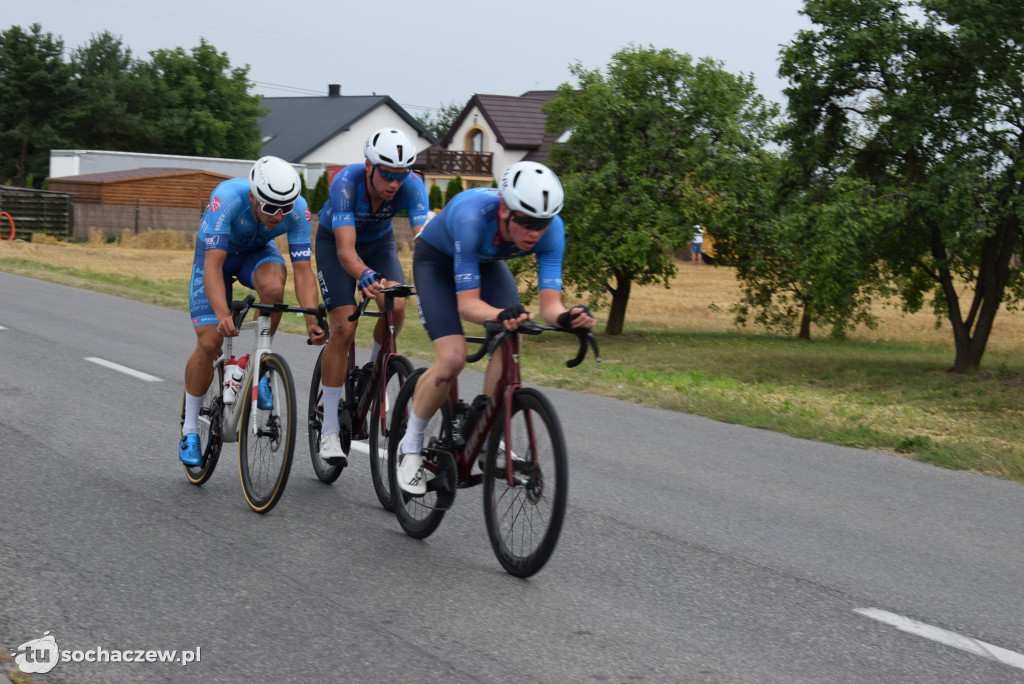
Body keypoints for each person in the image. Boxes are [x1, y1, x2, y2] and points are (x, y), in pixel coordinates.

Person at [396, 161, 596, 495]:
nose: (535, 232)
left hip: (485, 263)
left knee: (511, 336)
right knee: (453, 358)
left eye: (543, 223)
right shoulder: (472, 218)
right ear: (506, 210)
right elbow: (468, 306)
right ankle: (411, 445)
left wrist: (566, 318)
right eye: (528, 221)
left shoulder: (553, 230)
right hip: (436, 261)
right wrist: (501, 314)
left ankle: (487, 436)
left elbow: (549, 305)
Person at [179, 156, 326, 465]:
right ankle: (190, 429)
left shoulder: (297, 210)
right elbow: (212, 267)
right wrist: (222, 315)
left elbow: (303, 271)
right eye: (270, 207)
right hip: (217, 259)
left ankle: (257, 365)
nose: (278, 215)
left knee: (274, 288)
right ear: (252, 196)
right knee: (209, 343)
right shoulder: (228, 199)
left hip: (256, 255)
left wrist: (312, 318)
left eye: (284, 208)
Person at [314, 128, 429, 465]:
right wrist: (364, 275)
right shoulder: (345, 184)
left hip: (380, 244)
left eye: (401, 175)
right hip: (338, 246)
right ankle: (330, 428)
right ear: (369, 165)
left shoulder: (412, 186)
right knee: (344, 329)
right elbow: (346, 251)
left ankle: (375, 371)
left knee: (397, 303)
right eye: (387, 174)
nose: (394, 183)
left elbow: (424, 241)